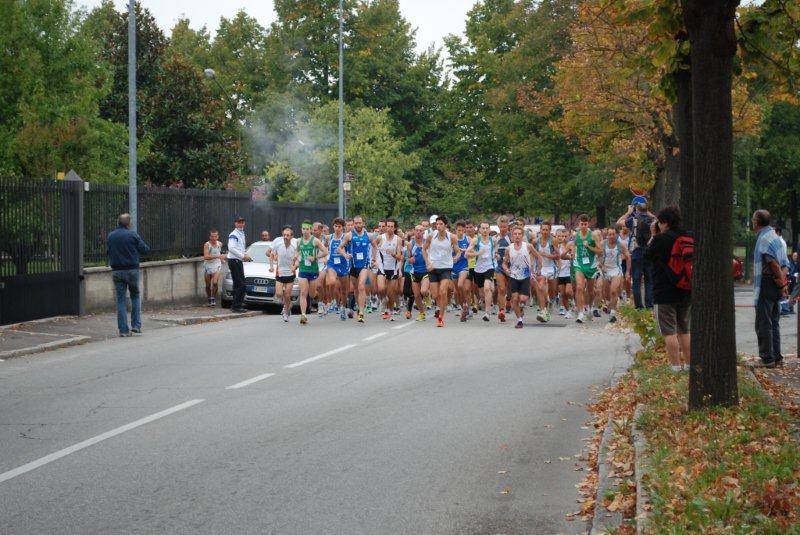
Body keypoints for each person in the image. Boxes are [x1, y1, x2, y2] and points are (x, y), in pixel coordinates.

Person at [645, 206, 691, 372]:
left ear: (663, 222)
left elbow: (647, 255)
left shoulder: (660, 239)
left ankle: (675, 367)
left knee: (669, 332)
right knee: (684, 329)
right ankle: (689, 365)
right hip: (685, 289)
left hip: (664, 291)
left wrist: (653, 236)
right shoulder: (688, 236)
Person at [751, 210, 791, 367]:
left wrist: (780, 281)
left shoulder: (764, 239)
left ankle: (767, 359)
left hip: (767, 283)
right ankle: (777, 357)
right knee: (774, 321)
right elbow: (785, 264)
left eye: (753, 219)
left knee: (764, 322)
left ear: (757, 222)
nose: (752, 222)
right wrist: (782, 282)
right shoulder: (776, 237)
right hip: (776, 284)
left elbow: (773, 263)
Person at [107, 213, 150, 336]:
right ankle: (136, 326)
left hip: (116, 271)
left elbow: (108, 251)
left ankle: (123, 330)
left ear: (118, 222)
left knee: (120, 300)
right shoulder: (132, 235)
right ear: (129, 223)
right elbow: (145, 249)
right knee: (135, 296)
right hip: (131, 270)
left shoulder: (111, 236)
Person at [338, 215, 378, 323]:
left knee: (361, 287)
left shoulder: (369, 235)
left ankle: (361, 312)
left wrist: (374, 259)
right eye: (356, 223)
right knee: (355, 289)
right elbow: (339, 248)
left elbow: (375, 246)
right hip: (353, 267)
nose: (358, 225)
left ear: (363, 223)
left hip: (364, 266)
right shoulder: (349, 235)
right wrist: (345, 255)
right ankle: (358, 304)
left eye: (360, 223)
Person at [423, 215, 461, 328]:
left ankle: (441, 317)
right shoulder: (431, 236)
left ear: (445, 225)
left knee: (442, 291)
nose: (438, 226)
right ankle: (440, 306)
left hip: (446, 268)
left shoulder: (452, 237)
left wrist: (456, 257)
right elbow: (424, 249)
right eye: (437, 224)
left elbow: (458, 251)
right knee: (435, 295)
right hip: (433, 268)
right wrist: (427, 262)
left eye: (440, 224)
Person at [617, 202, 655, 309]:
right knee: (649, 279)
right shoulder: (652, 220)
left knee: (637, 280)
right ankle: (649, 305)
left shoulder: (633, 220)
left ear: (637, 209)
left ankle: (639, 306)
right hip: (649, 251)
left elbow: (619, 222)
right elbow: (658, 221)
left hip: (636, 251)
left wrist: (629, 212)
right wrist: (649, 213)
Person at [570, 214, 603, 323]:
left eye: (585, 224)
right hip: (579, 264)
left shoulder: (593, 235)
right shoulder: (576, 235)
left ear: (588, 224)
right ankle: (580, 313)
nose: (583, 226)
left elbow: (600, 251)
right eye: (581, 224)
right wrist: (573, 253)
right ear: (578, 224)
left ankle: (589, 308)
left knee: (590, 291)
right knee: (579, 287)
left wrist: (588, 246)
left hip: (591, 265)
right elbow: (574, 245)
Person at [503, 227, 538, 328]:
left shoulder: (528, 246)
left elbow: (538, 257)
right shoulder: (508, 249)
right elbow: (504, 263)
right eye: (515, 234)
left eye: (519, 234)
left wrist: (537, 270)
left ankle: (522, 305)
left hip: (525, 276)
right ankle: (519, 320)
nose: (517, 236)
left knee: (523, 298)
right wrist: (506, 269)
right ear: (512, 236)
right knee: (514, 298)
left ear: (522, 236)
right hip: (514, 276)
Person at [295, 221, 328, 325]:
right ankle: (303, 315)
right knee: (303, 292)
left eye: (307, 229)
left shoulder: (315, 241)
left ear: (310, 230)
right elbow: (297, 251)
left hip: (313, 270)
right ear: (301, 229)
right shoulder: (298, 241)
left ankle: (320, 300)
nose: (305, 231)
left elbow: (325, 251)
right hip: (303, 270)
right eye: (303, 229)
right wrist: (296, 258)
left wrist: (315, 257)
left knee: (312, 293)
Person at [598, 226, 631, 323]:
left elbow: (628, 257)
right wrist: (601, 265)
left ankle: (613, 313)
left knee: (613, 291)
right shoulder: (602, 244)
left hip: (616, 270)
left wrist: (628, 272)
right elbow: (597, 256)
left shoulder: (620, 245)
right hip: (605, 270)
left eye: (613, 234)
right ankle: (609, 305)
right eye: (610, 234)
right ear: (607, 235)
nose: (611, 236)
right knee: (606, 294)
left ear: (616, 235)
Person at [466, 222, 497, 322]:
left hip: (489, 267)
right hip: (478, 269)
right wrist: (477, 253)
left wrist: (496, 255)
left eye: (486, 228)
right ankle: (486, 300)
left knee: (487, 288)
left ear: (489, 229)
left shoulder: (493, 240)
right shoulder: (476, 240)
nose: (485, 230)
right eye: (483, 228)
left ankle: (487, 313)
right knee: (482, 293)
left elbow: (495, 249)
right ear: (479, 230)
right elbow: (467, 254)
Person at [374, 218, 403, 321]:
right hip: (382, 268)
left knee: (391, 293)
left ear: (394, 228)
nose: (389, 228)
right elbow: (373, 246)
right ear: (386, 227)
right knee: (381, 288)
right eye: (388, 226)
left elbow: (400, 257)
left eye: (392, 226)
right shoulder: (380, 238)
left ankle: (389, 311)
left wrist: (394, 254)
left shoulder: (398, 239)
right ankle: (383, 299)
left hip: (393, 269)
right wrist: (374, 260)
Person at [270, 225, 298, 322]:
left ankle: (286, 311)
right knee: (278, 294)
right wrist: (271, 266)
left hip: (290, 273)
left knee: (287, 294)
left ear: (291, 236)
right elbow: (271, 254)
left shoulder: (295, 246)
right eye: (284, 235)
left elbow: (298, 259)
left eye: (288, 235)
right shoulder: (278, 244)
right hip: (280, 272)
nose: (285, 237)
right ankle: (289, 304)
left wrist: (295, 266)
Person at [325, 218, 350, 321]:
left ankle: (343, 308)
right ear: (333, 227)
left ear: (342, 227)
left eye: (339, 226)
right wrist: (324, 258)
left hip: (343, 264)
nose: (337, 228)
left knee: (344, 291)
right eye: (335, 226)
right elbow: (322, 247)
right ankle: (334, 302)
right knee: (331, 282)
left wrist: (347, 254)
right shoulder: (329, 237)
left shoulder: (346, 237)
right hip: (332, 263)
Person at [227, 216, 253, 313]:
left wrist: (244, 255)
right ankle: (236, 306)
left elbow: (239, 247)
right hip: (234, 260)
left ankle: (236, 304)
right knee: (240, 284)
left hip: (238, 260)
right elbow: (231, 248)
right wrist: (243, 256)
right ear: (235, 223)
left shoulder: (241, 233)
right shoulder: (234, 234)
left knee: (239, 283)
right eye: (239, 222)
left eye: (242, 222)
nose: (241, 224)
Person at [494, 216, 512, 322]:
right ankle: (501, 311)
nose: (503, 229)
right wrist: (495, 255)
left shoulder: (511, 238)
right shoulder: (495, 238)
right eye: (501, 227)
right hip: (499, 267)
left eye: (505, 227)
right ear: (498, 226)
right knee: (501, 289)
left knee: (510, 289)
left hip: (511, 267)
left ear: (508, 226)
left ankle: (509, 300)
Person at [202, 229, 226, 306]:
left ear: (218, 236)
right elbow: (206, 257)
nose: (214, 238)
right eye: (212, 236)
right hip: (208, 266)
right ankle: (209, 297)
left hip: (217, 265)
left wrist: (221, 259)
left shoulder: (220, 244)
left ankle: (213, 298)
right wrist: (218, 256)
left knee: (215, 282)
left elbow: (219, 253)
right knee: (208, 285)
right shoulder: (207, 245)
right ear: (210, 237)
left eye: (215, 236)